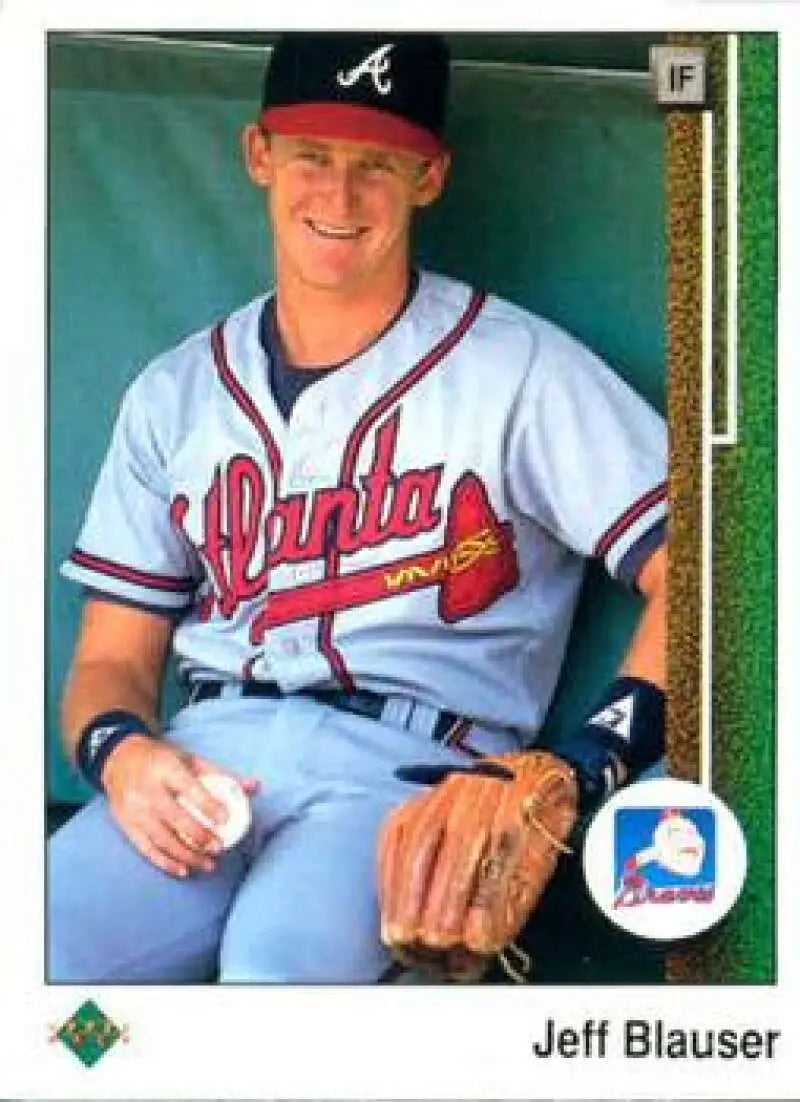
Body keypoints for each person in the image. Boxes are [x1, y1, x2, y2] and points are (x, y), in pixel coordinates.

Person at [48, 31, 667, 984]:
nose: (339, 198)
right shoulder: (174, 392)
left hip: (412, 776)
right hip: (201, 765)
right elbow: (110, 657)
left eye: (376, 165)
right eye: (314, 157)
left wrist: (584, 769)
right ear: (261, 156)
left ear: (430, 175)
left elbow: (717, 570)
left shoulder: (523, 370)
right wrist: (123, 755)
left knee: (277, 983)